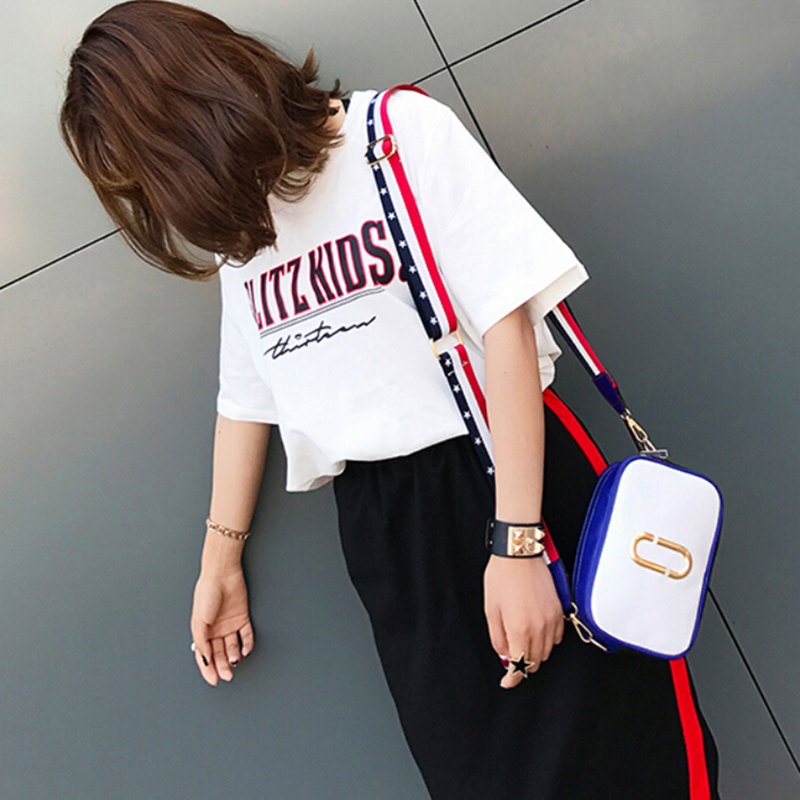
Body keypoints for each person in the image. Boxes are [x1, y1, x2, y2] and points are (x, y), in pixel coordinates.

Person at [60, 2, 721, 798]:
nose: (165, 201)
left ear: (194, 111)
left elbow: (507, 327)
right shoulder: (243, 236)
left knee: (625, 756)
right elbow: (245, 401)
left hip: (499, 471)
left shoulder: (397, 134)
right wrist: (218, 564)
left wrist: (517, 542)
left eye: (153, 168)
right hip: (384, 531)